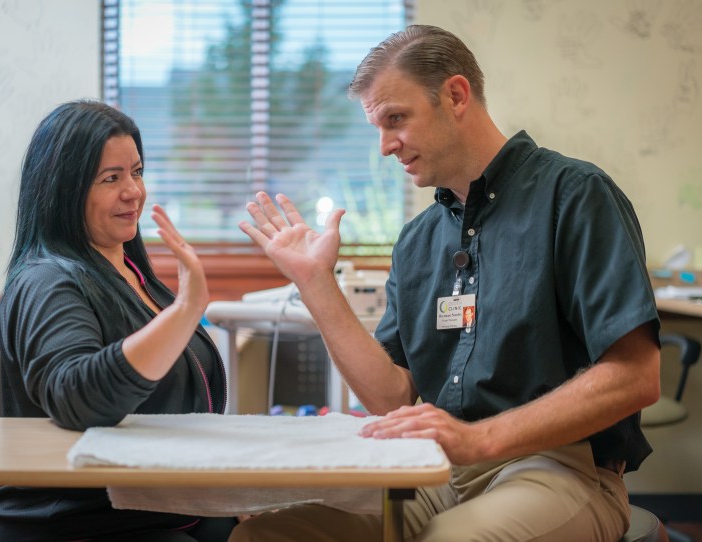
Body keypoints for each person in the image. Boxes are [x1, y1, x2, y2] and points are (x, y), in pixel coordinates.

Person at [231, 25, 660, 542]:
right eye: (378, 127)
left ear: (456, 95)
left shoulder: (574, 196)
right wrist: (316, 283)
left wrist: (478, 440)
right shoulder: (418, 241)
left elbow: (636, 376)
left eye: (396, 119)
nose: (386, 146)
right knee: (268, 536)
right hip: (437, 471)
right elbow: (391, 397)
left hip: (559, 468)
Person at [0, 100, 236, 542]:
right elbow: (78, 398)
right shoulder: (47, 281)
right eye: (110, 179)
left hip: (162, 510)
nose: (133, 191)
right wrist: (184, 314)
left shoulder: (135, 276)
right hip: (79, 525)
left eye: (136, 172)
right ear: (64, 190)